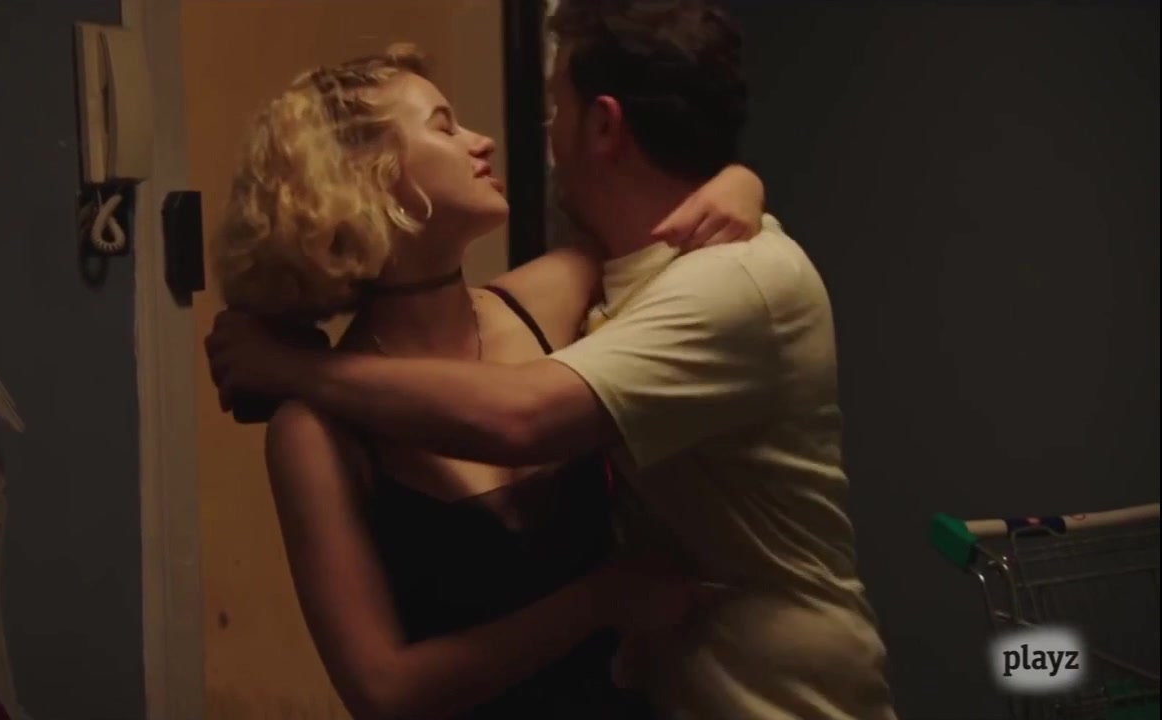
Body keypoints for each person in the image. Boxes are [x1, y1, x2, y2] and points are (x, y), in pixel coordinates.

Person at [205, 2, 899, 720]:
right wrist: (599, 602)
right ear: (364, 179)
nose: (482, 140)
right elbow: (384, 691)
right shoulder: (313, 433)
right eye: (444, 126)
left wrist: (738, 180)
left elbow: (649, 242)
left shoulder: (549, 299)